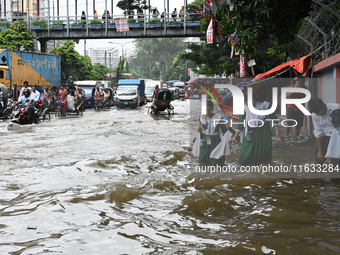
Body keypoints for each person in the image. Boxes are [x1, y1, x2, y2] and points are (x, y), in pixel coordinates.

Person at [230, 91, 279, 166]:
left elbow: (274, 117)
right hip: (250, 131)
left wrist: (277, 130)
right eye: (245, 103)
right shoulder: (245, 108)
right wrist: (235, 136)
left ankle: (263, 166)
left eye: (247, 102)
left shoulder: (265, 105)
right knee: (247, 150)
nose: (246, 104)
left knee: (264, 149)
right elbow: (241, 121)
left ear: (253, 100)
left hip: (263, 131)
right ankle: (244, 165)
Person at [193, 100, 232, 165]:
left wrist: (232, 138)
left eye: (209, 110)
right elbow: (199, 131)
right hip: (204, 142)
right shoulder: (200, 118)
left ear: (212, 109)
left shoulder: (218, 117)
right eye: (206, 110)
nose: (208, 112)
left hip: (215, 141)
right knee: (203, 161)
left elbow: (224, 130)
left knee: (215, 162)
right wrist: (199, 129)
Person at [308, 98, 340, 166]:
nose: (316, 115)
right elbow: (318, 132)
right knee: (318, 162)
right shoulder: (315, 114)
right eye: (315, 113)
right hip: (325, 138)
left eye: (317, 112)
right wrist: (320, 151)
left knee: (336, 165)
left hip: (337, 138)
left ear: (323, 107)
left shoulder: (336, 108)